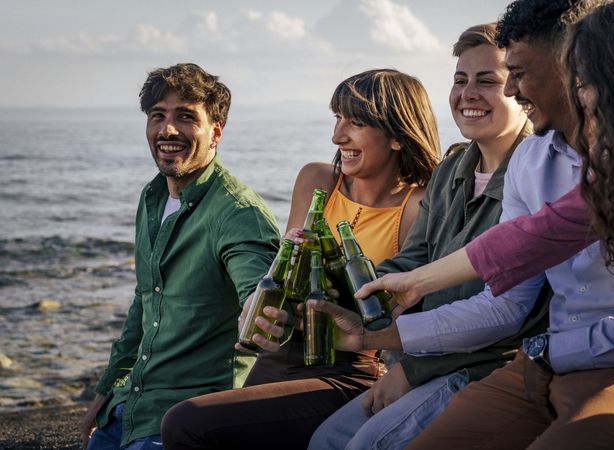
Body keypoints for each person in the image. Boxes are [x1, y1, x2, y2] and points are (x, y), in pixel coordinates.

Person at [322, 1, 614, 448]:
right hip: (545, 365)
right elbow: (529, 243)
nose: (511, 89)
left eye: (584, 80)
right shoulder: (532, 164)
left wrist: (554, 351)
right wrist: (404, 293)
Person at [159, 68, 441, 450]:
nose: (337, 135)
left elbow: (416, 317)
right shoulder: (317, 180)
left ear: (396, 135)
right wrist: (261, 312)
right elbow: (283, 282)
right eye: (337, 118)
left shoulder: (418, 208)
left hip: (347, 370)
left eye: (355, 122)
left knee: (186, 423)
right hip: (280, 354)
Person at [309, 23, 552, 450]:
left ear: (518, 89)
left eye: (487, 81)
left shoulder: (536, 173)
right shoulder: (451, 170)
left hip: (483, 366)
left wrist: (411, 369)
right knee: (326, 439)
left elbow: (508, 316)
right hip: (421, 357)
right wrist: (329, 293)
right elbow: (411, 262)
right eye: (460, 80)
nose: (468, 93)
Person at [80, 63, 280, 450]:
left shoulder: (240, 215)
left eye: (185, 117)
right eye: (158, 116)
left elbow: (261, 299)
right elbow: (144, 301)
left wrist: (266, 312)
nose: (167, 130)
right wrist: (105, 390)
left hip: (188, 418)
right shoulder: (153, 197)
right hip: (131, 406)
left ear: (215, 132)